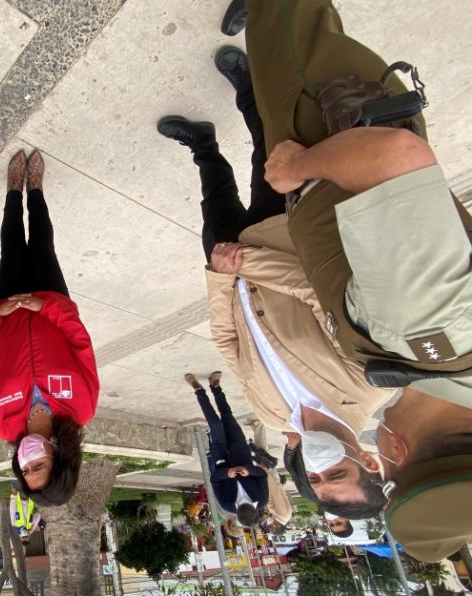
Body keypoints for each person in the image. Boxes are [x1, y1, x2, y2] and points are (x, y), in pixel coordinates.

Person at [225, 0, 472, 561]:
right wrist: (299, 170)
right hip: (327, 128)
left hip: (336, 147)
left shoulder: (436, 364)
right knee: (291, 28)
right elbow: (395, 157)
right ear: (395, 452)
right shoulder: (425, 337)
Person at [158, 47, 393, 520]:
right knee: (269, 151)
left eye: (317, 478)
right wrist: (247, 263)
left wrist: (222, 280)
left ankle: (202, 144)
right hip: (281, 240)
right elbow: (322, 295)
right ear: (369, 461)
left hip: (227, 268)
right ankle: (249, 87)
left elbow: (230, 346)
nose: (320, 468)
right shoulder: (371, 383)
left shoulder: (272, 417)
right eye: (338, 474)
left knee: (214, 194)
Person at [0, 149, 100, 506]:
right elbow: (80, 344)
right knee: (42, 244)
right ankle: (36, 190)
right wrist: (48, 307)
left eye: (25, 470)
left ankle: (13, 191)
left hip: (7, 308)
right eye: (38, 465)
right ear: (60, 461)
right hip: (50, 301)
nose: (27, 462)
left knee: (11, 248)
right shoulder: (81, 408)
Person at [187, 371, 267, 526]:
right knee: (228, 417)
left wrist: (226, 474)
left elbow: (214, 480)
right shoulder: (261, 499)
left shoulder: (227, 504)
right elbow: (262, 475)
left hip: (221, 457)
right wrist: (248, 470)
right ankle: (215, 387)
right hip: (241, 453)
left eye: (240, 507)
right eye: (247, 504)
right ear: (254, 508)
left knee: (214, 423)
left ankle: (199, 391)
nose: (242, 503)